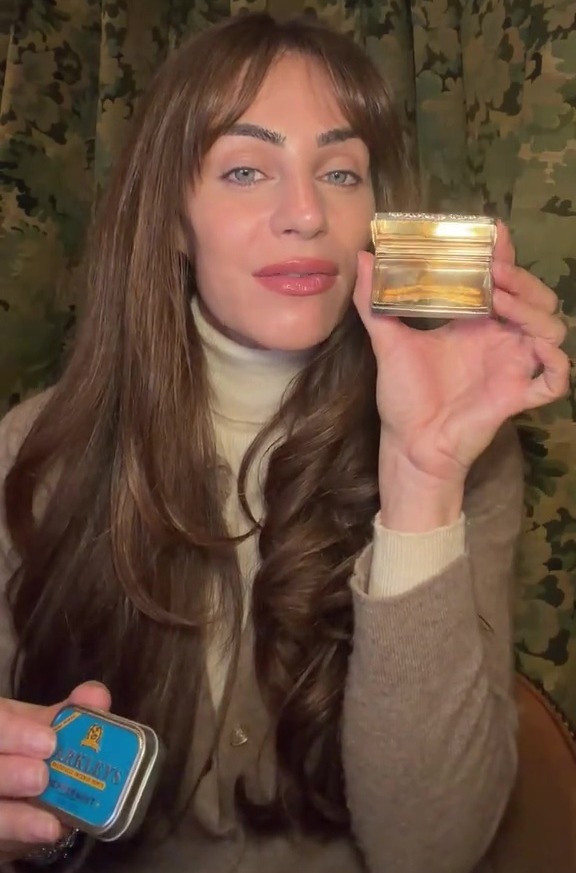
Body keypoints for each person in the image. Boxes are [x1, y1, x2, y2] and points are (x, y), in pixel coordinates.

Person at [0, 12, 569, 873]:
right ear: (172, 220)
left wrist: (421, 474)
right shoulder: (33, 447)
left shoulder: (464, 453)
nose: (306, 213)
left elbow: (432, 851)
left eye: (341, 172)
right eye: (243, 169)